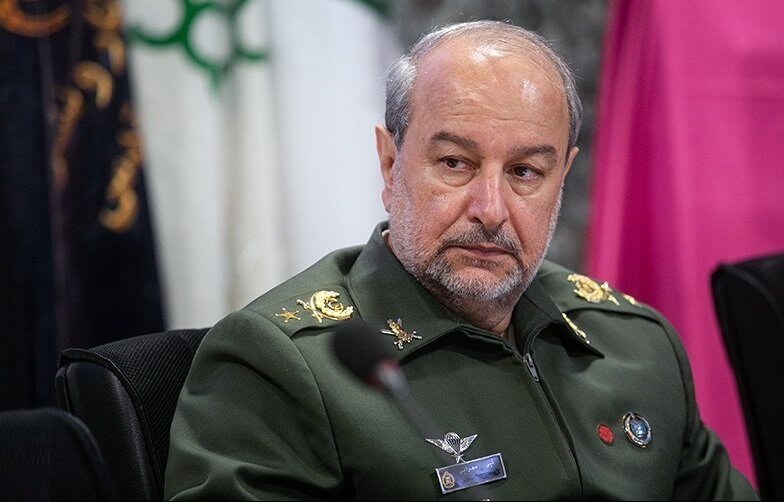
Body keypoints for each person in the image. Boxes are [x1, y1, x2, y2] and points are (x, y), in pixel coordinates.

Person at [164, 20, 758, 500]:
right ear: (390, 164)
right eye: (455, 163)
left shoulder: (635, 344)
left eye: (525, 172)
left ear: (563, 177)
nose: (490, 210)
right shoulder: (283, 364)